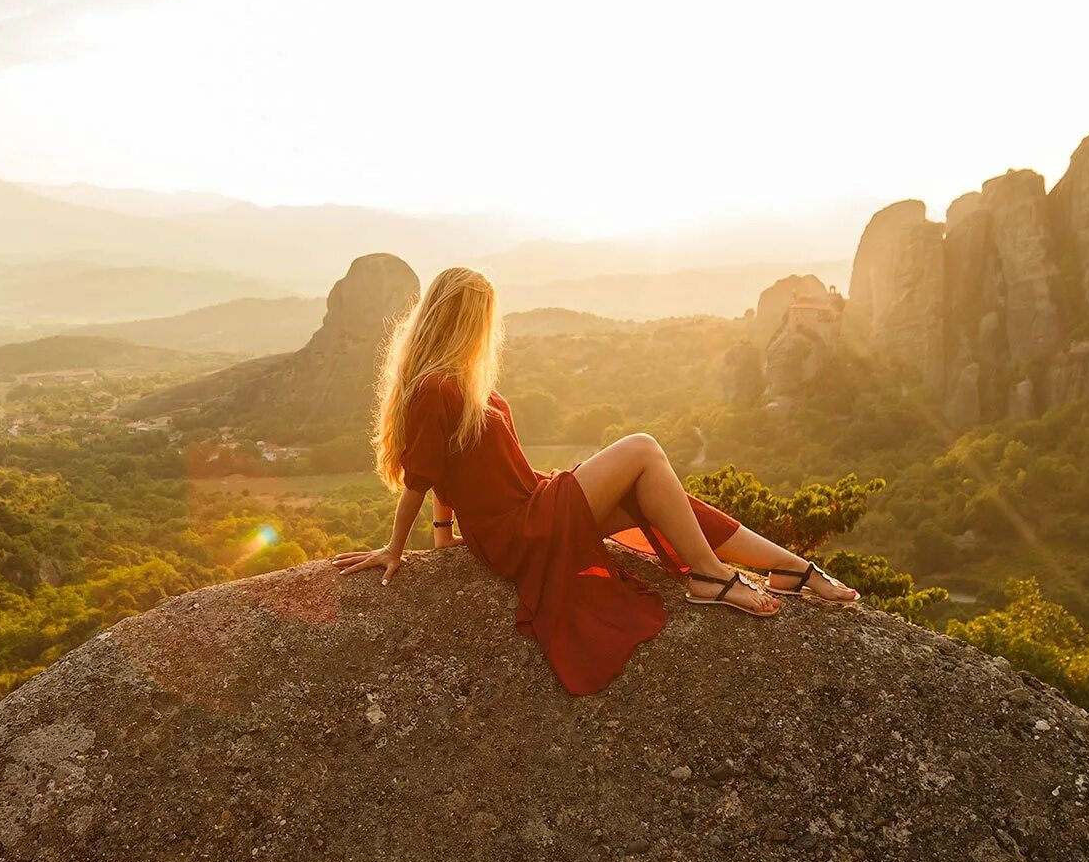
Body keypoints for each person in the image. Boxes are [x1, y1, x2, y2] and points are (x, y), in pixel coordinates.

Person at [332, 266, 857, 695]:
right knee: (643, 447)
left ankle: (793, 569)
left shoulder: (459, 385)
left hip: (533, 504)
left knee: (659, 496)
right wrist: (396, 549)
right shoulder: (435, 387)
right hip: (521, 529)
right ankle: (710, 576)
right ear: (463, 318)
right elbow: (421, 477)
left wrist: (446, 536)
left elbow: (450, 470)